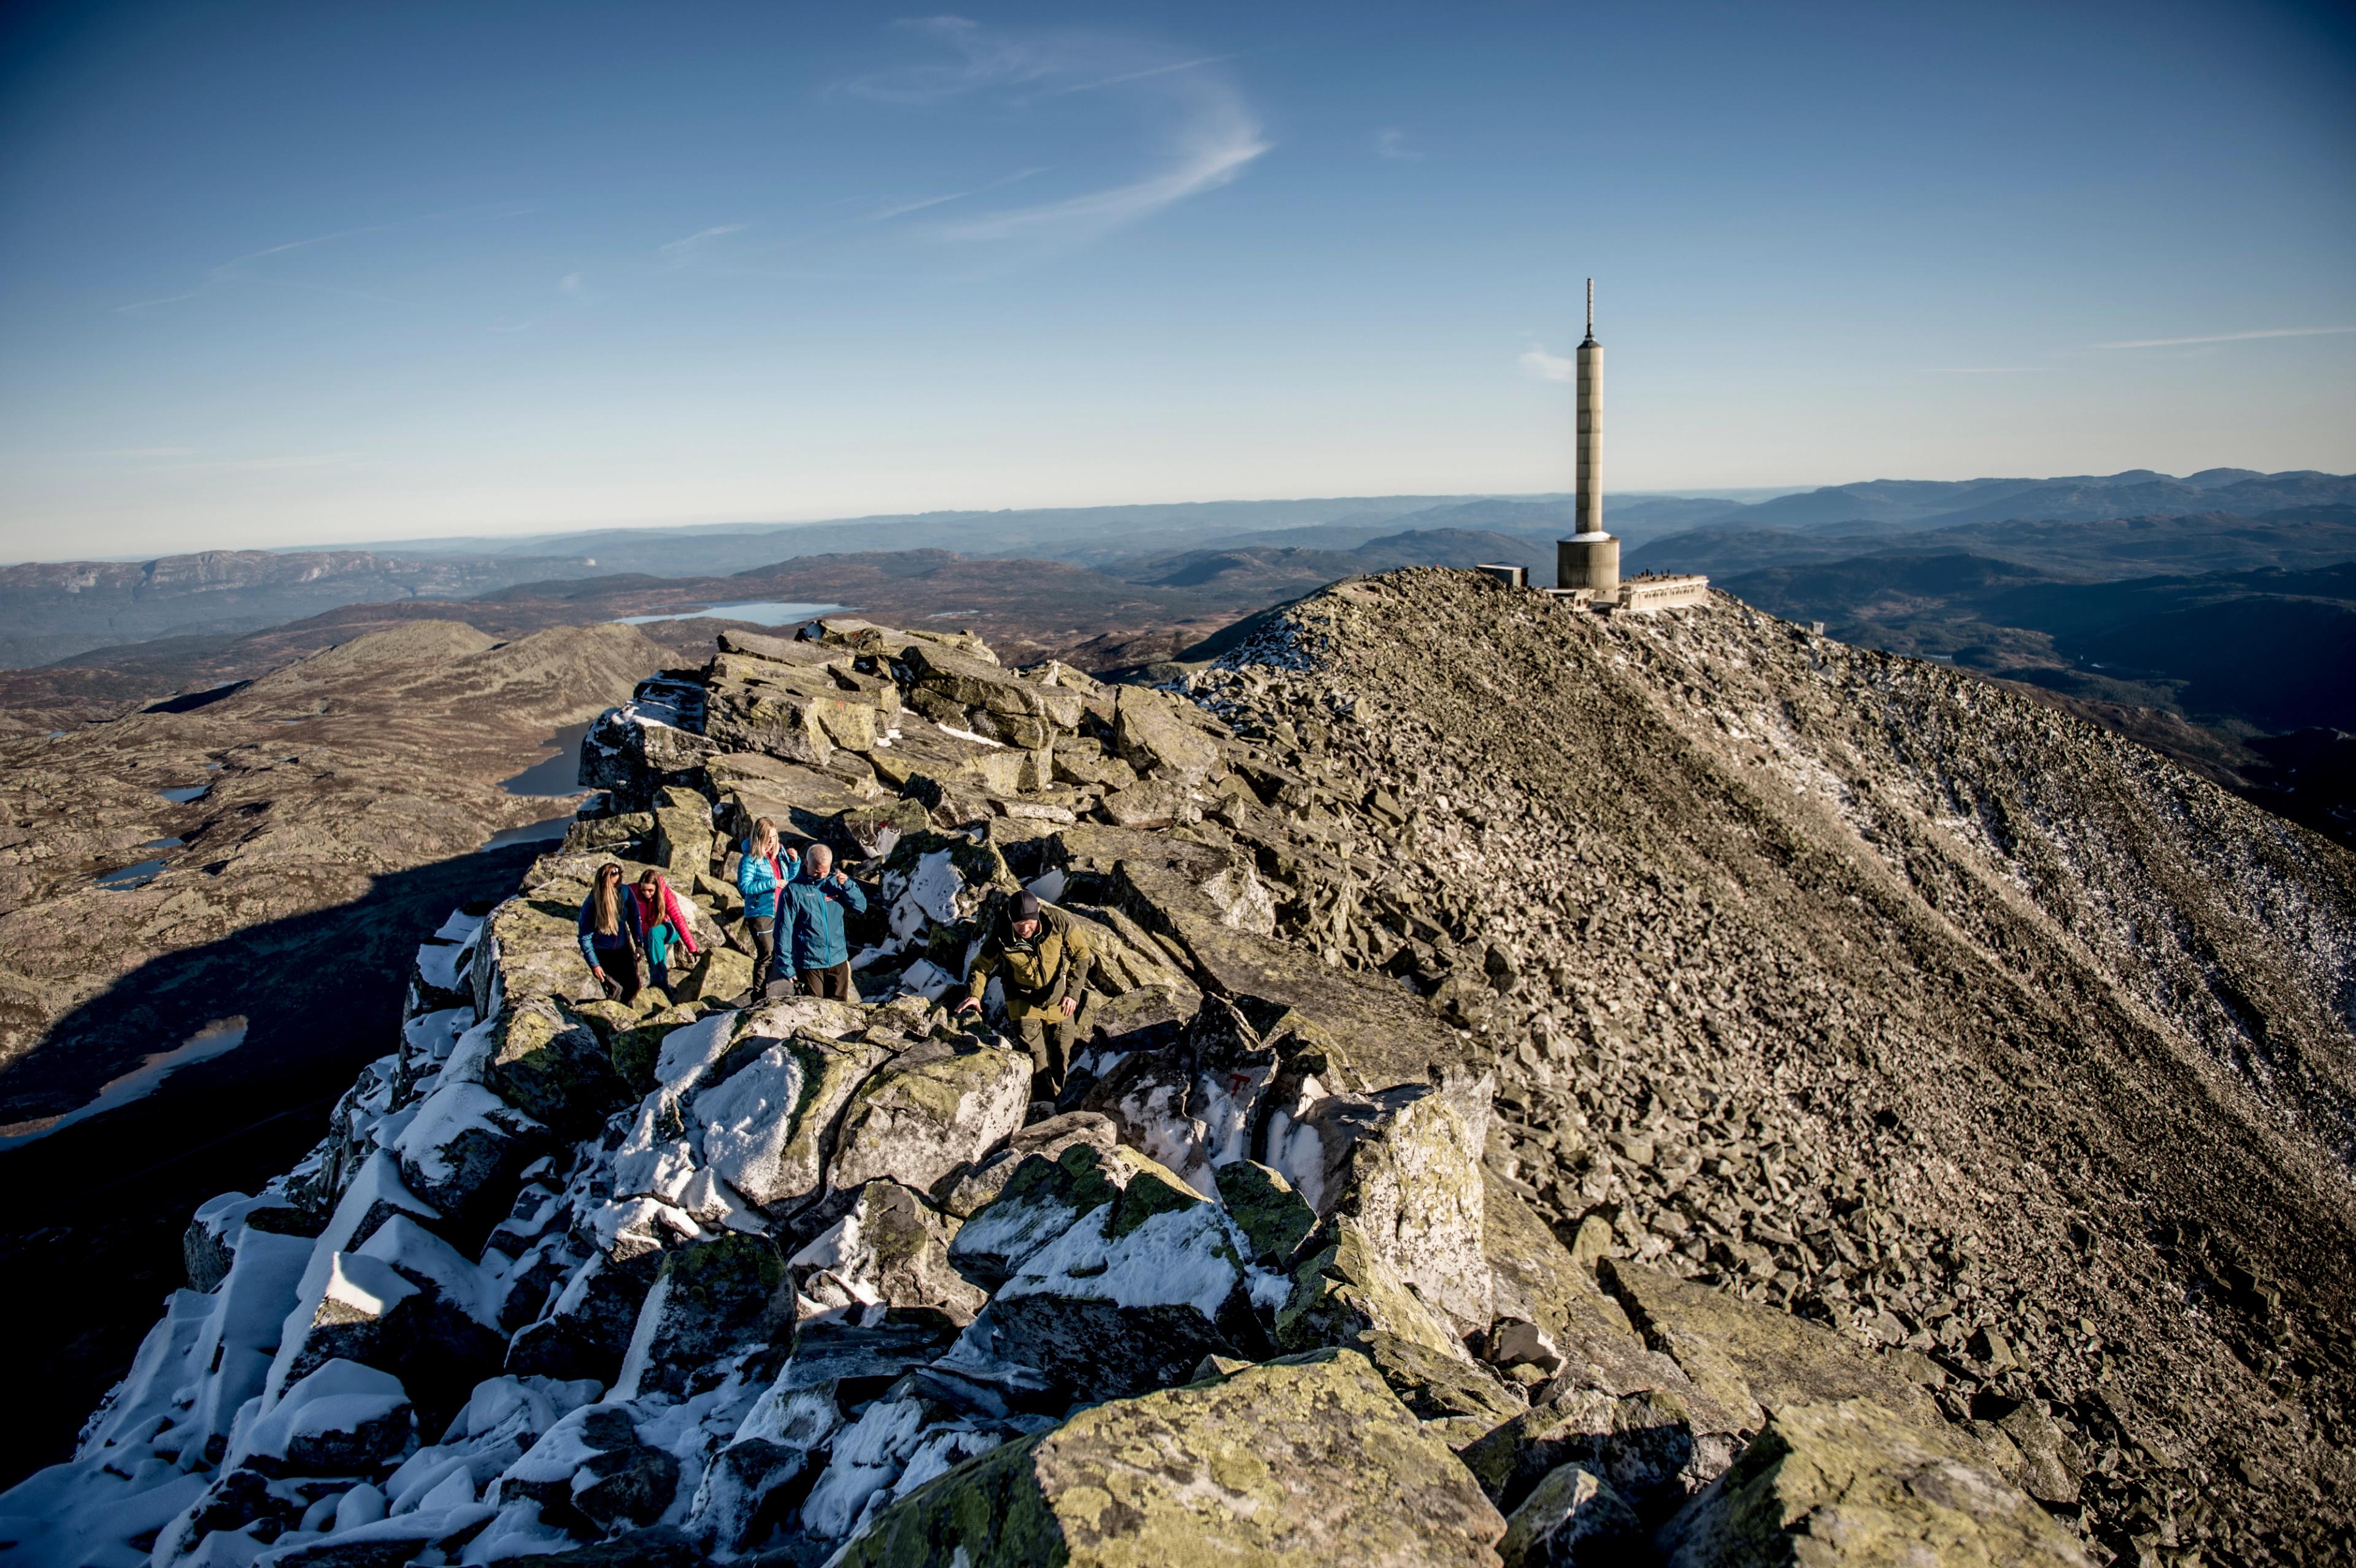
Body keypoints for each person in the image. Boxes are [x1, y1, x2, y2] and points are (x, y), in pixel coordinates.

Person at [957, 890, 1096, 1102]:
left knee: (1061, 1055)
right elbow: (981, 966)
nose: (1025, 927)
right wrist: (975, 994)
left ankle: (1062, 1101)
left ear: (1038, 913)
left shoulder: (1057, 922)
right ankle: (1045, 1111)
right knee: (1037, 1061)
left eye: (1030, 921)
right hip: (1022, 1002)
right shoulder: (1002, 934)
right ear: (1011, 919)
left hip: (1059, 999)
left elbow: (1081, 954)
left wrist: (1073, 993)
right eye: (1019, 923)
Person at [778, 844, 866, 1000]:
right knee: (813, 1007)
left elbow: (860, 907)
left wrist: (849, 886)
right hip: (809, 963)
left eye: (825, 872)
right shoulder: (793, 891)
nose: (821, 876)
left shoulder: (837, 884)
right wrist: (786, 965)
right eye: (817, 872)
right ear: (806, 863)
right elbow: (783, 930)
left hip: (838, 959)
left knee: (839, 1009)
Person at [735, 817, 798, 999]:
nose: (771, 841)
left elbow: (789, 880)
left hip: (781, 910)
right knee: (767, 953)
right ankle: (758, 995)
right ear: (758, 837)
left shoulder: (780, 854)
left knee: (783, 951)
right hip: (760, 912)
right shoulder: (750, 860)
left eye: (774, 836)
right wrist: (772, 883)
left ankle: (777, 992)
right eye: (767, 837)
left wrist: (794, 863)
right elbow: (745, 887)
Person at [577, 861, 645, 1002]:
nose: (619, 879)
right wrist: (595, 964)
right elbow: (585, 937)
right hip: (603, 953)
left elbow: (634, 919)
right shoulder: (592, 904)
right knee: (616, 990)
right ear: (605, 881)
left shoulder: (626, 893)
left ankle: (626, 1016)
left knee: (633, 986)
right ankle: (613, 1020)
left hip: (623, 949)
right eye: (614, 875)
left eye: (620, 874)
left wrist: (639, 944)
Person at [630, 868, 701, 999]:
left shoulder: (666, 894)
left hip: (669, 930)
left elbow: (679, 919)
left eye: (650, 891)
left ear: (657, 887)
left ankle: (658, 982)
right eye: (643, 890)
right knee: (652, 944)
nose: (646, 893)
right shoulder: (632, 891)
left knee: (655, 932)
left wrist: (692, 948)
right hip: (648, 936)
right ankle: (665, 990)